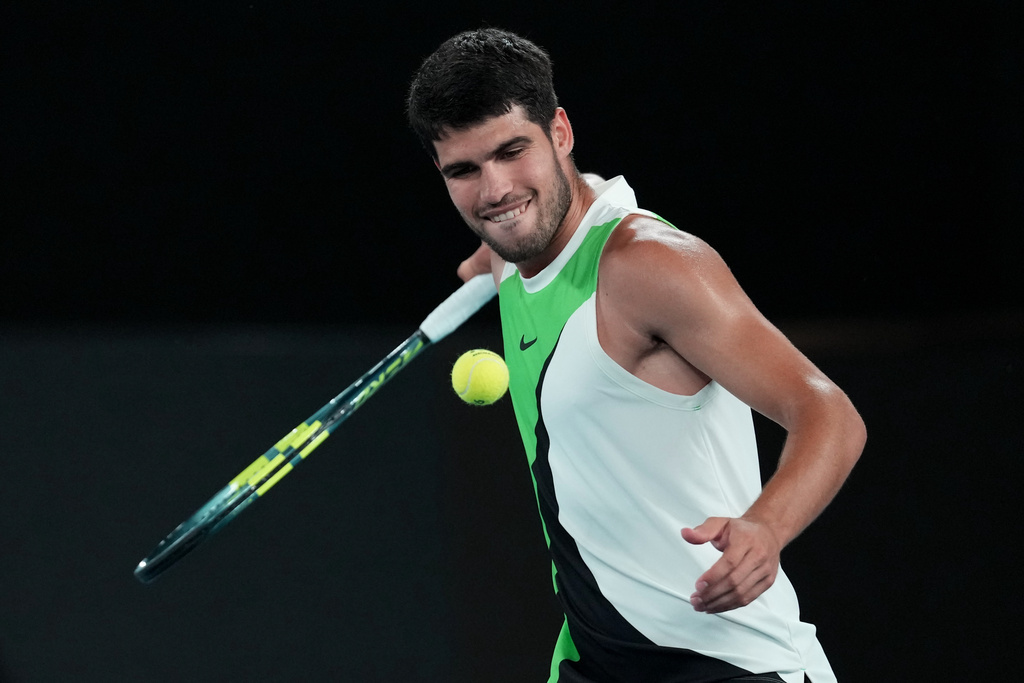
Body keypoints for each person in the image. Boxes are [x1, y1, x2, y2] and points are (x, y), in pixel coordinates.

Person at [407, 28, 866, 683]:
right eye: (465, 170)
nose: (495, 189)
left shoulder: (650, 267)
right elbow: (516, 243)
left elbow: (828, 412)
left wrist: (766, 527)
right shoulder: (515, 254)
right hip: (596, 660)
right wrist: (496, 253)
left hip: (729, 663)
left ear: (559, 131)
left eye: (513, 152)